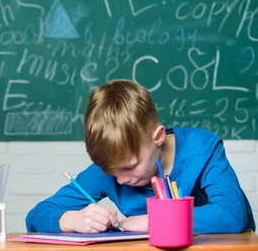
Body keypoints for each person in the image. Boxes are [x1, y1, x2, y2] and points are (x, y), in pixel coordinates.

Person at [25, 79, 255, 234]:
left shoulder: (202, 149)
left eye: (130, 167)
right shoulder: (113, 167)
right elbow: (35, 217)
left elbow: (232, 215)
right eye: (111, 172)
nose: (121, 180)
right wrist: (72, 220)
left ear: (158, 136)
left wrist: (151, 221)